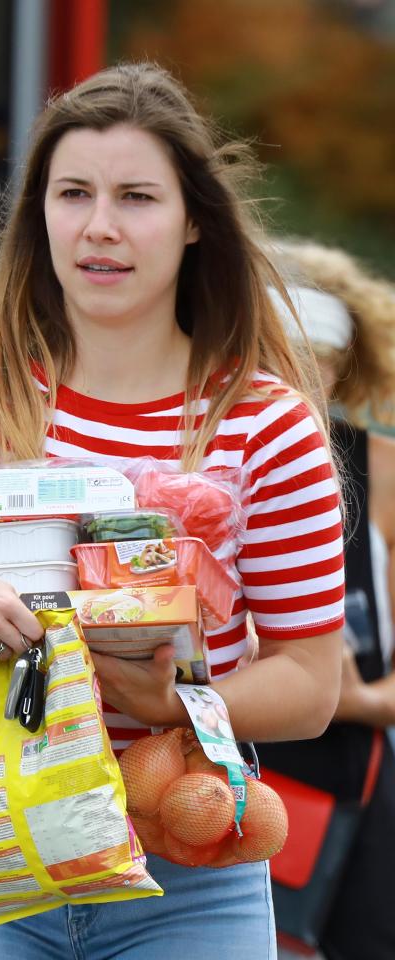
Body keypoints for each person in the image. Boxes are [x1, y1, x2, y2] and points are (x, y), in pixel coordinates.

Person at [0, 64, 344, 960]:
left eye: (136, 196)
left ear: (194, 218)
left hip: (192, 860)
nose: (100, 226)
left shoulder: (267, 422)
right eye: (73, 194)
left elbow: (310, 686)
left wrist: (174, 703)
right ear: (39, 214)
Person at [260, 239, 395, 960]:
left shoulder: (381, 469)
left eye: (316, 362)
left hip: (356, 783)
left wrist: (359, 697)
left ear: (343, 366)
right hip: (236, 773)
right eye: (279, 358)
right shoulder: (210, 457)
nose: (295, 384)